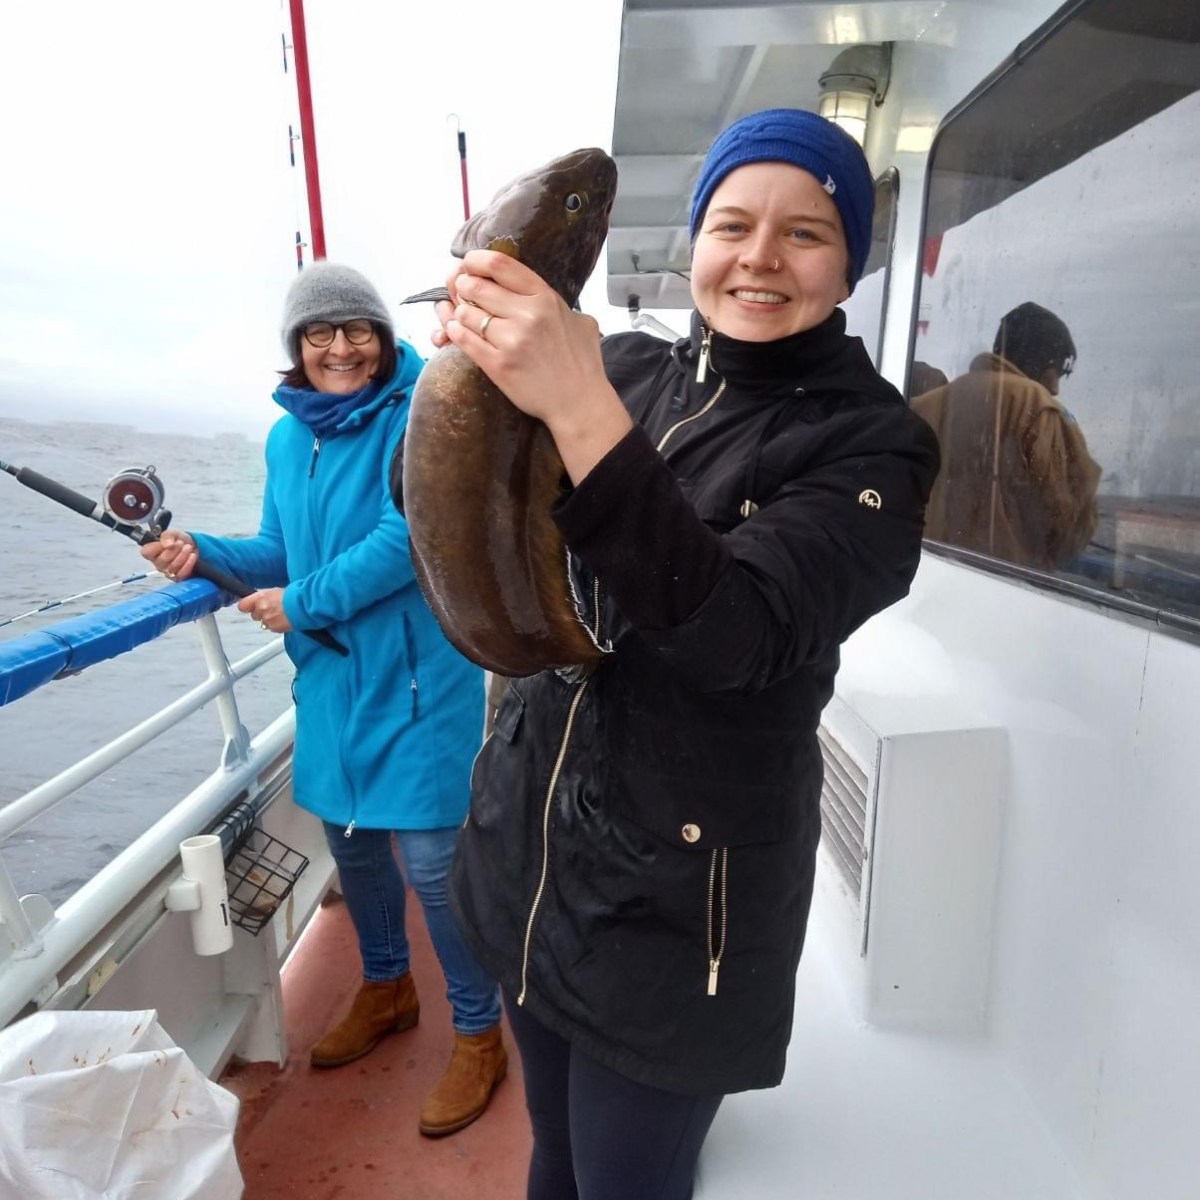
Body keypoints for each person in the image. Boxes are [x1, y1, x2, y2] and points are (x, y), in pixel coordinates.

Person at [422, 109, 940, 1199]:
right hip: (533, 865)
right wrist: (465, 389)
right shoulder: (628, 366)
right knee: (551, 1157)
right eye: (733, 223)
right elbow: (455, 516)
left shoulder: (873, 444)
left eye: (805, 234)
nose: (759, 257)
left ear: (850, 264)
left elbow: (733, 632)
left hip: (675, 921)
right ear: (696, 242)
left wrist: (572, 403)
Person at [140, 262, 505, 1138]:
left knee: (432, 865)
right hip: (333, 680)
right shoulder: (284, 439)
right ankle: (386, 988)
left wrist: (299, 603)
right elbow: (276, 546)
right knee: (356, 851)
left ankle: (479, 1031)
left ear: (382, 339)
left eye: (358, 330)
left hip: (420, 676)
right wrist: (197, 548)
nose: (340, 347)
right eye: (319, 333)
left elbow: (407, 538)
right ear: (296, 351)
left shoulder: (423, 413)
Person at [911, 301, 1101, 570]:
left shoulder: (925, 405)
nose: (1056, 388)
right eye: (1056, 372)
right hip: (1004, 585)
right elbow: (1064, 518)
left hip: (925, 570)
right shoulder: (1036, 405)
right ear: (1041, 361)